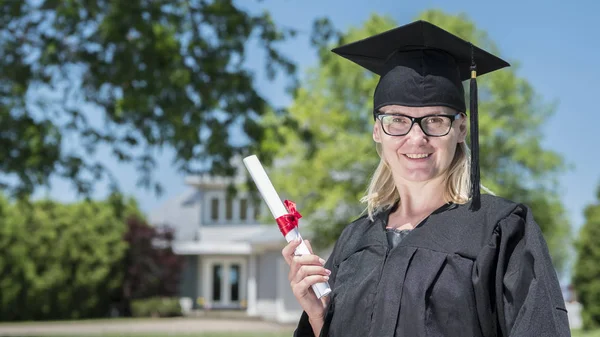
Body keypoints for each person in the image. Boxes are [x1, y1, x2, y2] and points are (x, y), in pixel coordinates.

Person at [281, 20, 571, 337]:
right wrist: (319, 318)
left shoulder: (502, 230)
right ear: (377, 130)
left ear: (461, 128)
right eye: (397, 121)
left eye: (434, 120)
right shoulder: (354, 240)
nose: (416, 138)